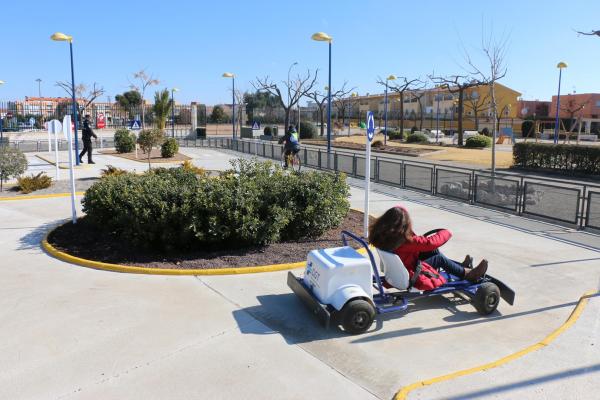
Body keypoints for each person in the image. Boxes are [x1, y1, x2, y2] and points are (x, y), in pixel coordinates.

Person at [369, 205, 488, 291]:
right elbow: (431, 242)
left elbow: (426, 245)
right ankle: (467, 274)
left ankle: (460, 268)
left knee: (433, 251)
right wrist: (446, 232)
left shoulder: (382, 235)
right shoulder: (404, 240)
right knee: (438, 257)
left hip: (401, 266)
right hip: (410, 273)